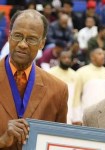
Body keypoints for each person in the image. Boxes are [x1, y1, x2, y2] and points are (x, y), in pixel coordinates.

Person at [0, 9, 68, 149]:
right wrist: (2, 141)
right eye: (18, 36)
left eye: (31, 39)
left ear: (42, 43)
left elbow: (59, 144)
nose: (23, 44)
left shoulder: (58, 90)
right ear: (9, 36)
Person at [72, 48, 105, 125]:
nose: (103, 56)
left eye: (103, 54)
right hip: (86, 117)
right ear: (92, 57)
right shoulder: (81, 72)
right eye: (99, 54)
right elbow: (76, 97)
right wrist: (76, 117)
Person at [49, 51, 77, 124]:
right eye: (64, 58)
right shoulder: (51, 73)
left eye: (69, 58)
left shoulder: (75, 75)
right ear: (59, 59)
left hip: (70, 108)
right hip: (54, 107)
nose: (67, 60)